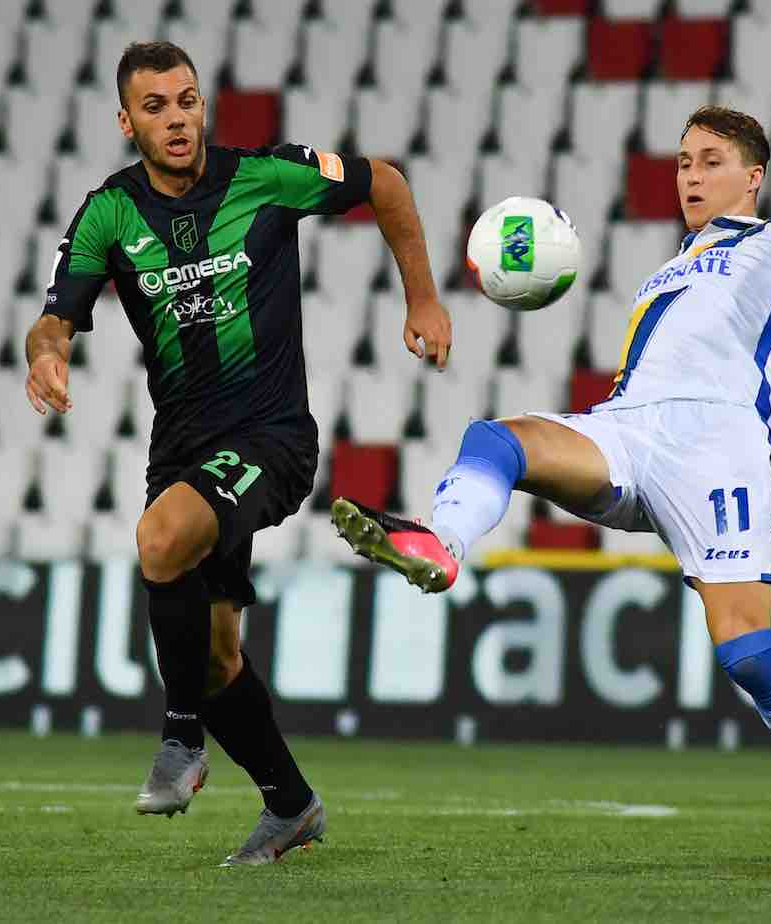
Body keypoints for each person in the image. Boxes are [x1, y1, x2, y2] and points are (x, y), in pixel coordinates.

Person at [332, 105, 771, 879]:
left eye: (709, 161)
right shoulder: (669, 267)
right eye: (682, 162)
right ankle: (442, 542)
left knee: (747, 654)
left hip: (718, 450)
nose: (691, 176)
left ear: (753, 176)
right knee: (497, 439)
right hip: (628, 433)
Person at [23, 41, 451, 866]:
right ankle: (290, 805)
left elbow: (386, 183)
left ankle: (180, 741)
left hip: (271, 438)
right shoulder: (109, 213)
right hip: (180, 446)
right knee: (214, 657)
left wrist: (424, 299)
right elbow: (56, 312)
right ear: (126, 122)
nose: (177, 119)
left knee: (160, 539)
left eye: (186, 101)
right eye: (155, 107)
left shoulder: (266, 176)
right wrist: (48, 353)